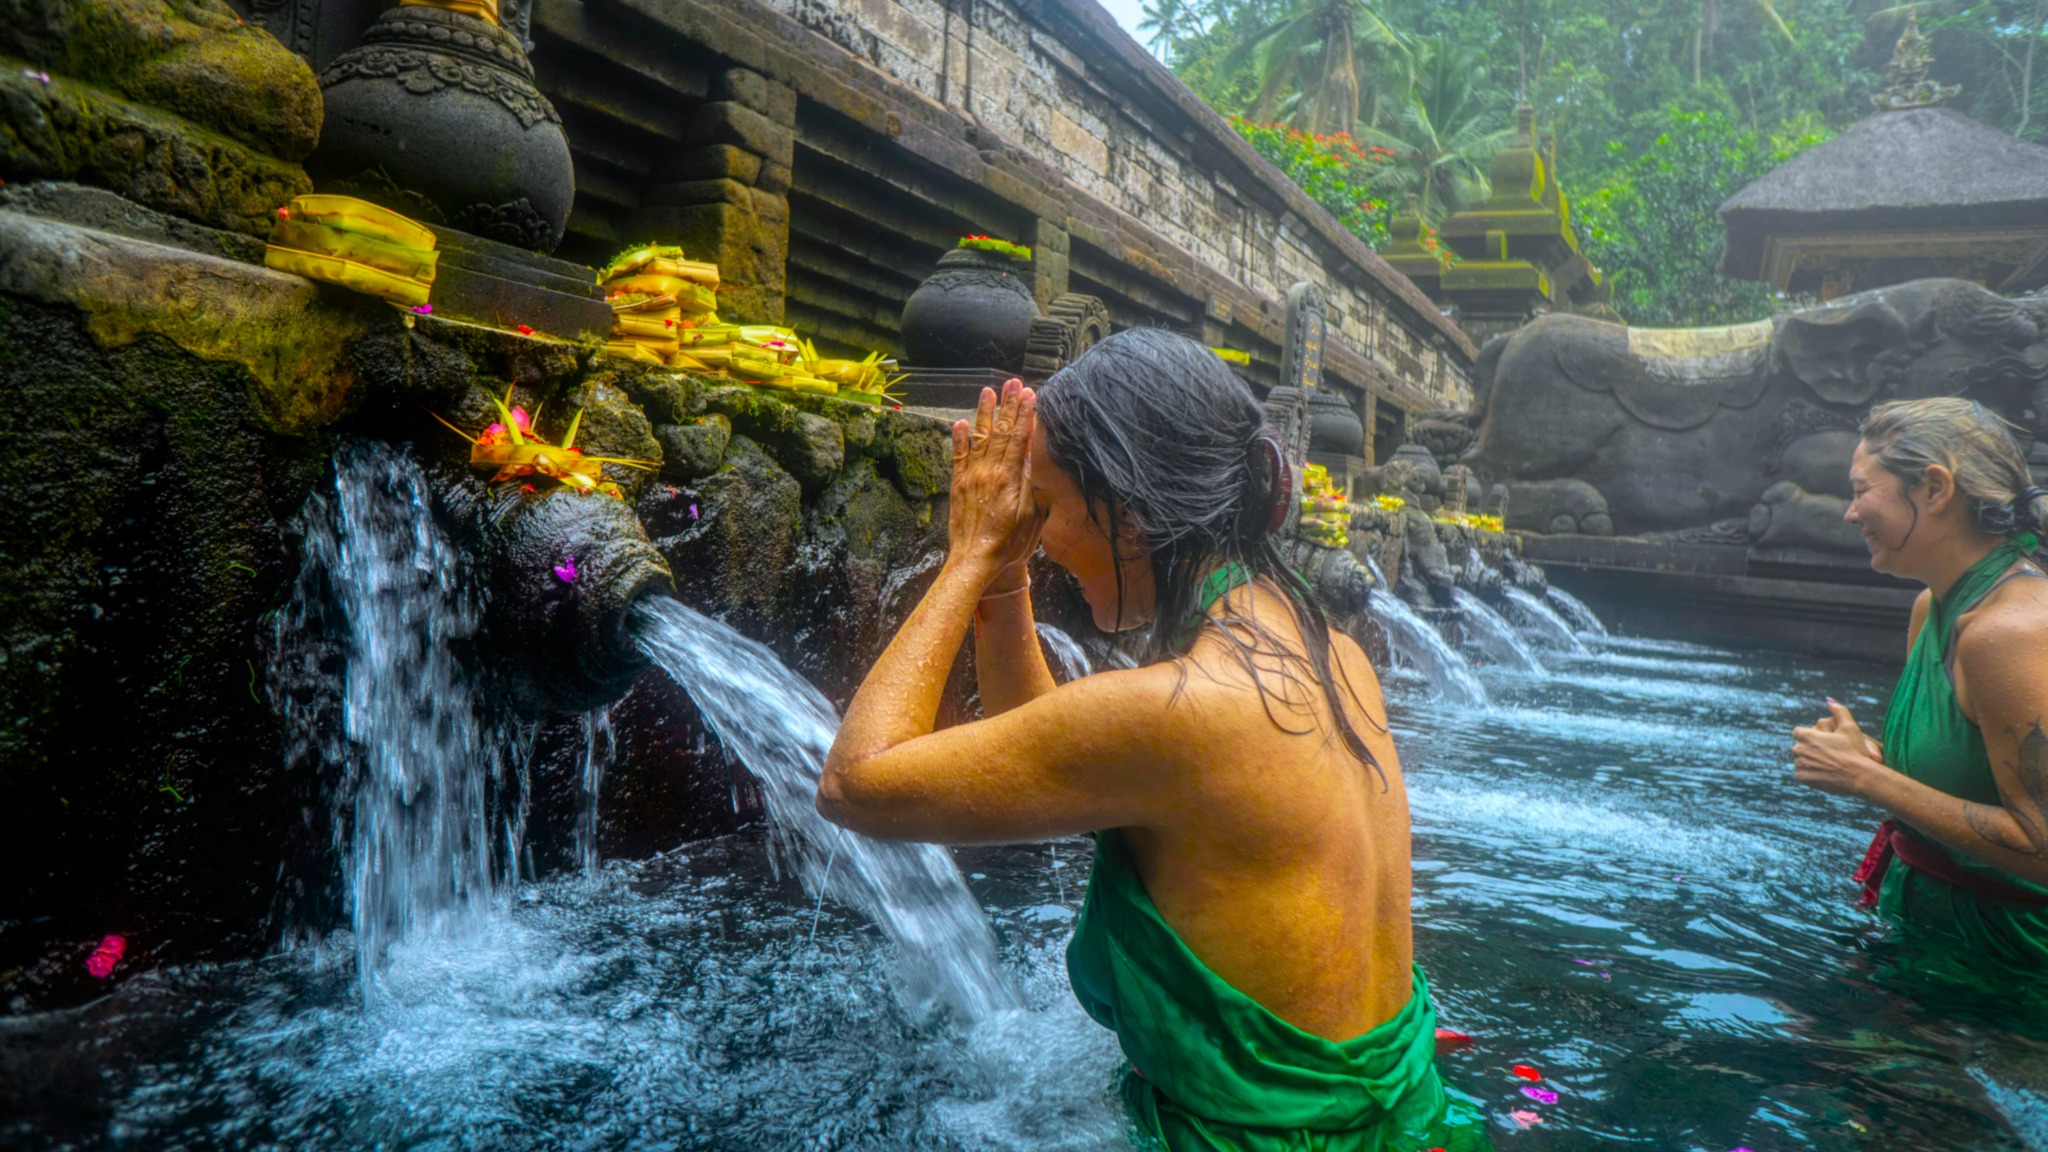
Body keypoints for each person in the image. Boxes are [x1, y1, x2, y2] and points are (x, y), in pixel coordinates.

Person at [817, 329, 1488, 1151]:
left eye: (1048, 504)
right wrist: (1006, 577)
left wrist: (966, 557)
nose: (1038, 528)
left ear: (1130, 518)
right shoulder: (1331, 653)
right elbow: (1048, 756)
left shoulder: (1187, 711)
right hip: (1412, 1123)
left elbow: (855, 783)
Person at [1792, 397, 2048, 969]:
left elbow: (2043, 843)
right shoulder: (1931, 608)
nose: (1850, 514)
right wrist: (1875, 760)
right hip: (1931, 939)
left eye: (1861, 490)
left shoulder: (2008, 633)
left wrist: (1865, 779)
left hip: (2013, 969)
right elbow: (1969, 784)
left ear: (1935, 489)